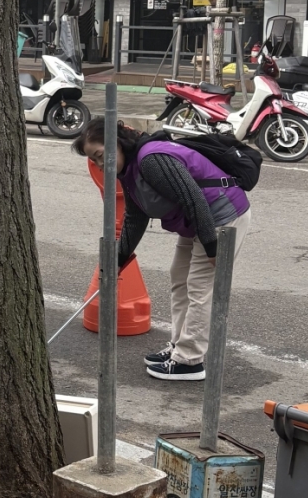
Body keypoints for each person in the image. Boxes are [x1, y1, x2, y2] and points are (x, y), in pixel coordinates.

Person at [75, 117, 251, 382]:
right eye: (95, 160)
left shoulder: (151, 160)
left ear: (119, 143)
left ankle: (190, 361)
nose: (101, 165)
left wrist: (213, 249)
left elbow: (195, 200)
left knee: (200, 287)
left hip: (222, 218)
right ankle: (179, 347)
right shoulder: (129, 171)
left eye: (101, 155)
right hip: (197, 222)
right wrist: (115, 263)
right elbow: (136, 218)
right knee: (179, 278)